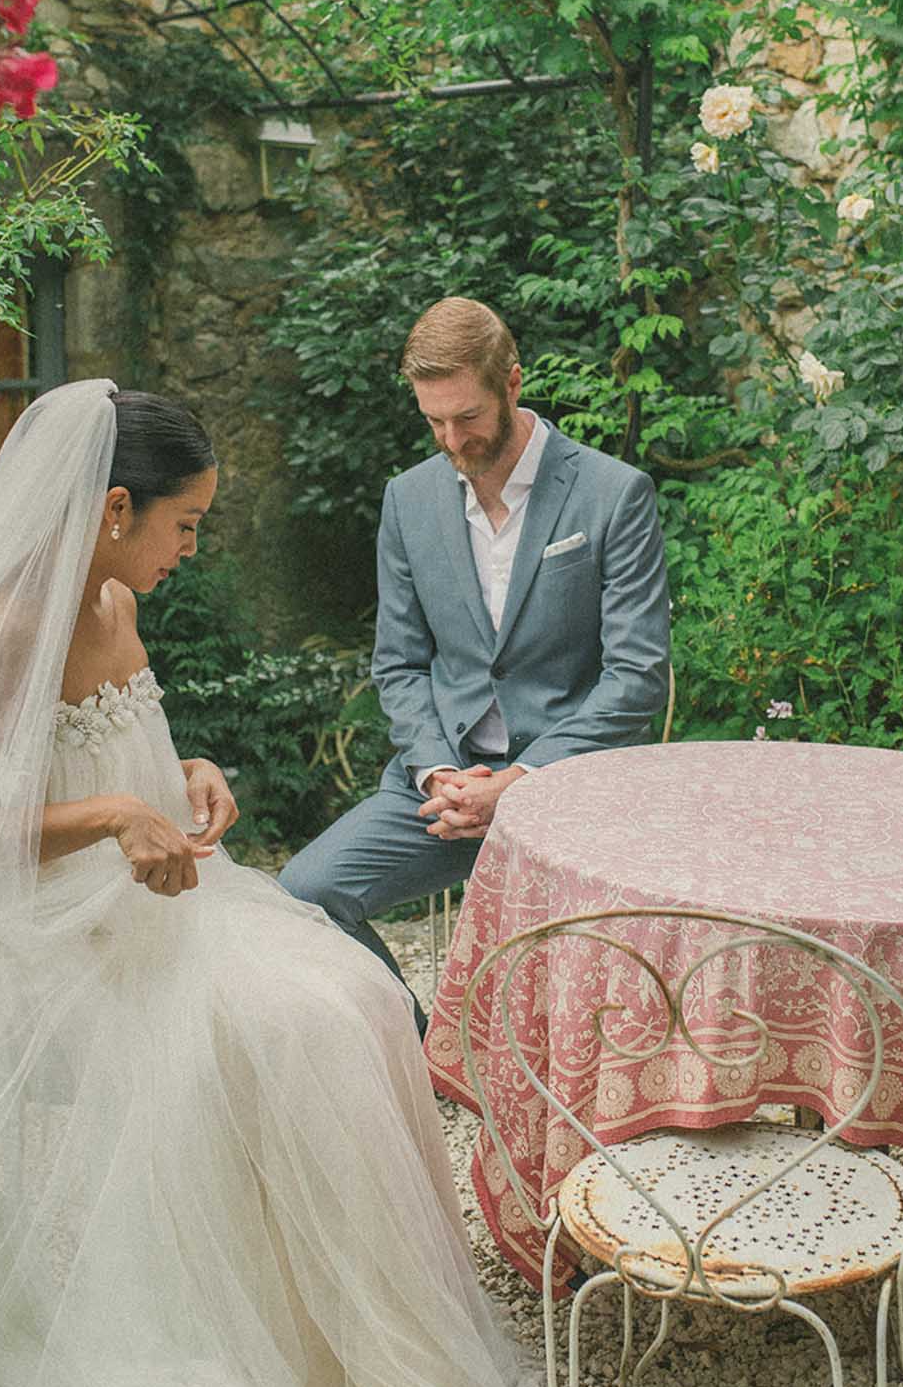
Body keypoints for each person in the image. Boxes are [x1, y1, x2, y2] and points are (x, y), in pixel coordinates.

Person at [0, 380, 540, 1387]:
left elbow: (117, 740)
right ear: (115, 507)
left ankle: (375, 1375)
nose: (192, 547)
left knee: (359, 994)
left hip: (157, 908)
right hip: (45, 943)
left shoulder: (110, 591)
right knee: (298, 1027)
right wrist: (115, 812)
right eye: (185, 524)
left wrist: (185, 776)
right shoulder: (7, 624)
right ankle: (316, 1370)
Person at [280, 298, 671, 1007]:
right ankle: (422, 1057)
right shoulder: (408, 501)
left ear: (512, 383)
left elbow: (637, 676)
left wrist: (521, 779)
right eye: (434, 421)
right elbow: (398, 664)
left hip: (573, 788)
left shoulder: (613, 495)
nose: (453, 440)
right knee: (304, 895)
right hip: (446, 791)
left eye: (468, 417)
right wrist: (437, 775)